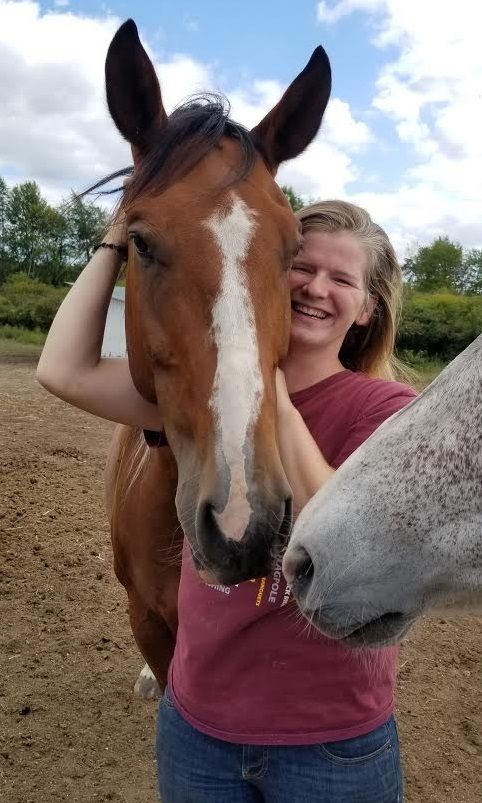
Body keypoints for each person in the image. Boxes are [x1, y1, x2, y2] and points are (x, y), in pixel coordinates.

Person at [37, 198, 416, 803]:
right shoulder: (204, 398)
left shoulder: (386, 411)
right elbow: (63, 369)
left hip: (328, 743)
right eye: (300, 265)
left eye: (341, 279)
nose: (316, 288)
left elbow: (355, 553)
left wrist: (279, 404)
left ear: (367, 308)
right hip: (196, 730)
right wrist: (118, 236)